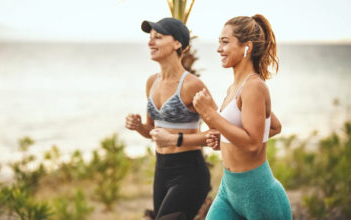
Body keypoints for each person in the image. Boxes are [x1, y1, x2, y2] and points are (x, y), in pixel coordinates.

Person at [192, 14, 292, 219]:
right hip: (229, 190)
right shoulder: (234, 88)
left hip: (259, 194)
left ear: (247, 47)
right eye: (219, 42)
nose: (219, 49)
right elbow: (273, 126)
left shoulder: (254, 87)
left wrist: (211, 115)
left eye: (225, 42)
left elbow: (254, 143)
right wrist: (226, 138)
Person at [125, 17, 210, 220]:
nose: (150, 42)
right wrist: (138, 127)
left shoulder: (192, 85)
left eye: (158, 37)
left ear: (177, 43)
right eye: (150, 37)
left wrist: (176, 140)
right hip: (162, 170)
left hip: (190, 172)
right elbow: (152, 131)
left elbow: (217, 133)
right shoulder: (151, 83)